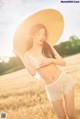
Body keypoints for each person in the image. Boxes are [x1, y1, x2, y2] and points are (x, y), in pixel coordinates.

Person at [14, 24, 77, 119]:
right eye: (38, 34)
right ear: (32, 36)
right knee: (61, 117)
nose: (42, 36)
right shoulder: (27, 54)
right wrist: (21, 56)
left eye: (43, 34)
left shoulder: (48, 47)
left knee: (71, 114)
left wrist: (50, 60)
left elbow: (63, 62)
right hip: (51, 88)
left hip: (64, 80)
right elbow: (32, 73)